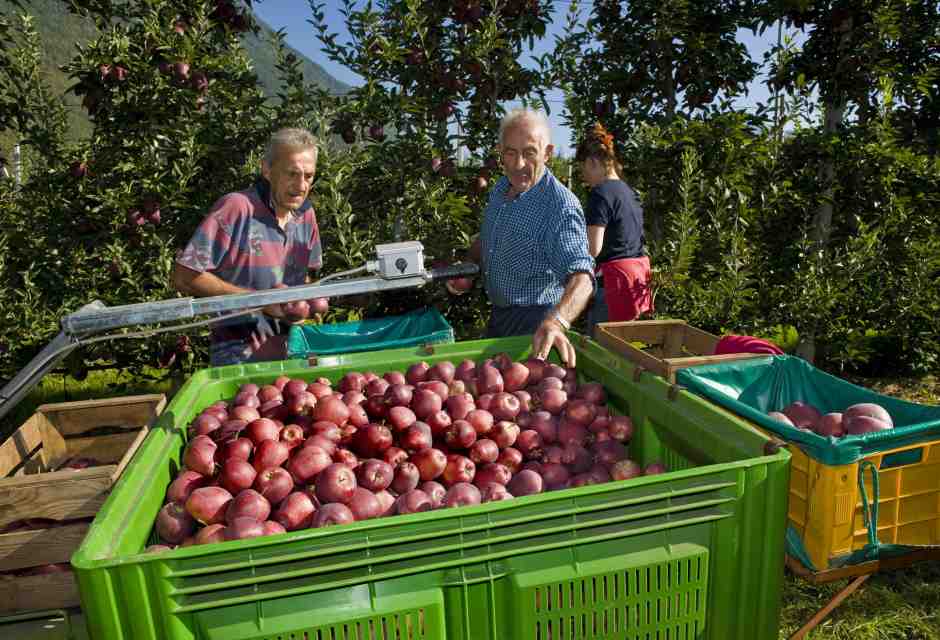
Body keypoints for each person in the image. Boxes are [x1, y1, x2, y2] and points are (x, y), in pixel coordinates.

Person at [451, 108, 594, 366]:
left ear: (547, 153)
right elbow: (489, 239)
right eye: (511, 153)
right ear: (500, 152)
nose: (519, 164)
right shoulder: (500, 189)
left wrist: (557, 322)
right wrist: (465, 267)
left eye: (529, 153)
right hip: (500, 317)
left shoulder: (559, 206)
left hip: (537, 326)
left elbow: (582, 277)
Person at [173, 128, 322, 366]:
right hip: (238, 355)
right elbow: (184, 276)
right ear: (267, 169)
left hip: (293, 349)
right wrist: (260, 301)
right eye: (292, 174)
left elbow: (302, 280)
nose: (301, 185)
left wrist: (309, 301)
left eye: (308, 176)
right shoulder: (237, 208)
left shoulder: (306, 215)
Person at [575, 122, 652, 337]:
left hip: (612, 286)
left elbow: (592, 248)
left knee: (601, 350)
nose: (584, 177)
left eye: (583, 169)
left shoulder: (600, 194)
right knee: (625, 347)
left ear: (592, 162)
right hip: (636, 282)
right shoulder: (629, 192)